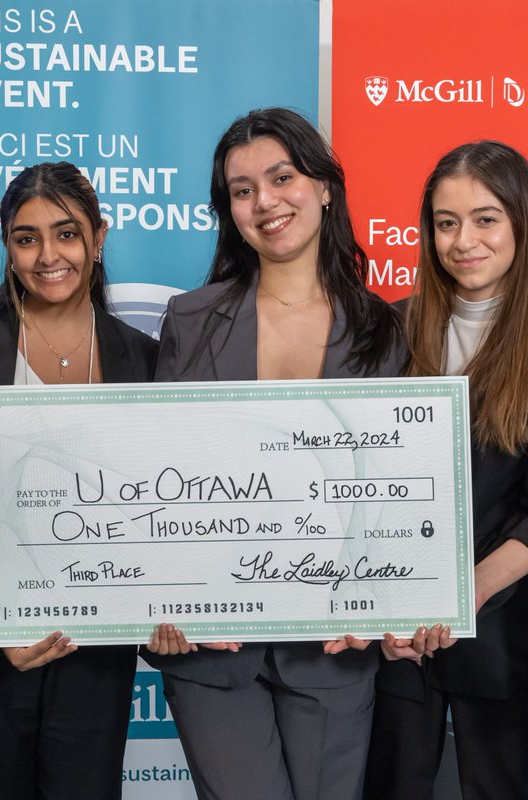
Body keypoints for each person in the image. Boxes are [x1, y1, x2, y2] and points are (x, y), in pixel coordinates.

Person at [143, 107, 404, 800]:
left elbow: (399, 482)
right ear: (228, 210)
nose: (265, 201)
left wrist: (392, 601)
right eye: (241, 189)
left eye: (282, 177)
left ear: (323, 187)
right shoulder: (190, 320)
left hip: (335, 647)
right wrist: (155, 606)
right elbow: (160, 479)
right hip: (211, 647)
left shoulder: (388, 328)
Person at [0, 162, 156, 799]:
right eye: (27, 238)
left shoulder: (143, 356)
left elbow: (163, 496)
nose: (49, 255)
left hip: (96, 650)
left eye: (67, 234)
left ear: (98, 238)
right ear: (7, 246)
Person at [364, 141, 528, 800]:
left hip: (509, 628)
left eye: (485, 219)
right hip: (398, 636)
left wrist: (466, 593)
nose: (463, 240)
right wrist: (378, 609)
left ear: (523, 222)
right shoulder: (386, 333)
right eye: (446, 222)